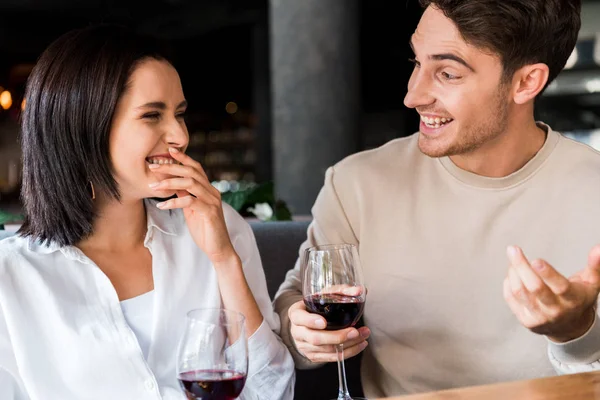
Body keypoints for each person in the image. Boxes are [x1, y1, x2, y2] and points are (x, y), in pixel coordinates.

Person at [273, 0, 600, 397]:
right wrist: (303, 333)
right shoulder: (356, 183)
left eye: (446, 73)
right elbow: (293, 302)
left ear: (526, 83)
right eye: (416, 63)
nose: (413, 95)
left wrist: (576, 331)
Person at [0, 24, 294, 399]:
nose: (180, 137)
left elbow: (274, 392)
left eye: (180, 114)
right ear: (84, 127)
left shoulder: (220, 230)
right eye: (152, 115)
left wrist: (224, 259)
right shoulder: (10, 278)